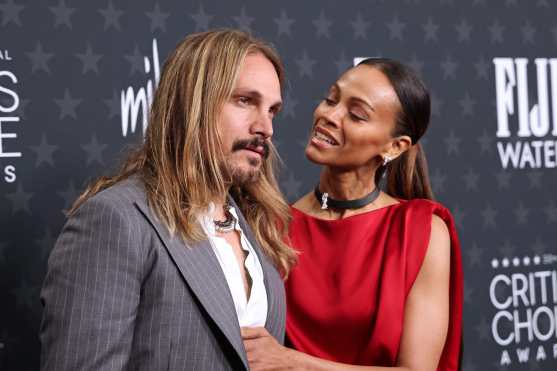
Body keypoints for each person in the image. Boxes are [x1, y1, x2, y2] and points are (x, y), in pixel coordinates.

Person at [39, 29, 297, 371]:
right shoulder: (116, 220)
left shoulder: (257, 231)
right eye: (245, 101)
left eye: (272, 110)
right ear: (193, 103)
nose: (265, 127)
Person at [241, 58, 463, 371]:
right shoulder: (272, 224)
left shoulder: (422, 229)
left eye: (356, 115)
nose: (328, 115)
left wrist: (292, 363)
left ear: (395, 147)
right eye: (331, 99)